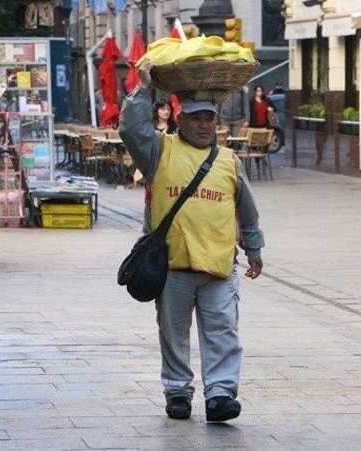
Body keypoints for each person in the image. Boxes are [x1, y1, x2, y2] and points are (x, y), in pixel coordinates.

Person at [119, 62, 265, 423]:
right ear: (180, 120)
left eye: (209, 119)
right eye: (196, 118)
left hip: (218, 264)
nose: (203, 125)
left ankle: (219, 394)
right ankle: (177, 390)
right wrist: (143, 89)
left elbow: (247, 207)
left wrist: (255, 248)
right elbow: (131, 129)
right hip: (173, 265)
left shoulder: (229, 161)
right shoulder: (160, 151)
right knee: (173, 333)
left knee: (223, 333)